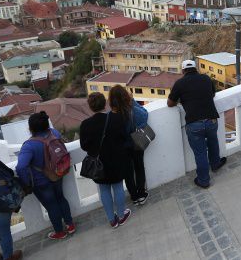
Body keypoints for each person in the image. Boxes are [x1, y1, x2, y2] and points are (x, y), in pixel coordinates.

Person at [168, 60, 227, 188]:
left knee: (200, 153)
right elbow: (212, 94)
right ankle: (215, 164)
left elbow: (170, 103)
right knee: (213, 142)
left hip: (194, 123)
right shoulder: (206, 78)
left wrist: (182, 99)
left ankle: (204, 180)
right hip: (211, 119)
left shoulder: (179, 83)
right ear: (196, 68)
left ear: (183, 71)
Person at [16, 112, 74, 240]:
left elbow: (21, 167)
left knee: (51, 205)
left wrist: (27, 183)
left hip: (41, 182)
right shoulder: (54, 133)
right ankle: (70, 225)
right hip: (58, 174)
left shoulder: (29, 146)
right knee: (61, 198)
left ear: (31, 128)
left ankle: (60, 232)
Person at [79, 92, 133, 228]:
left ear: (90, 107)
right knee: (118, 187)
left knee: (104, 190)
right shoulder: (116, 118)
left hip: (99, 164)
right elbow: (124, 138)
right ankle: (121, 215)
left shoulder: (85, 124)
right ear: (105, 104)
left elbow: (84, 146)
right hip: (116, 160)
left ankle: (112, 220)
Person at [108, 85, 148, 205]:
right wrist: (133, 101)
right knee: (139, 167)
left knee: (128, 172)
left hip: (123, 147)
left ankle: (134, 196)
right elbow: (145, 115)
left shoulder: (112, 116)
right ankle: (142, 194)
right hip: (136, 142)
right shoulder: (133, 110)